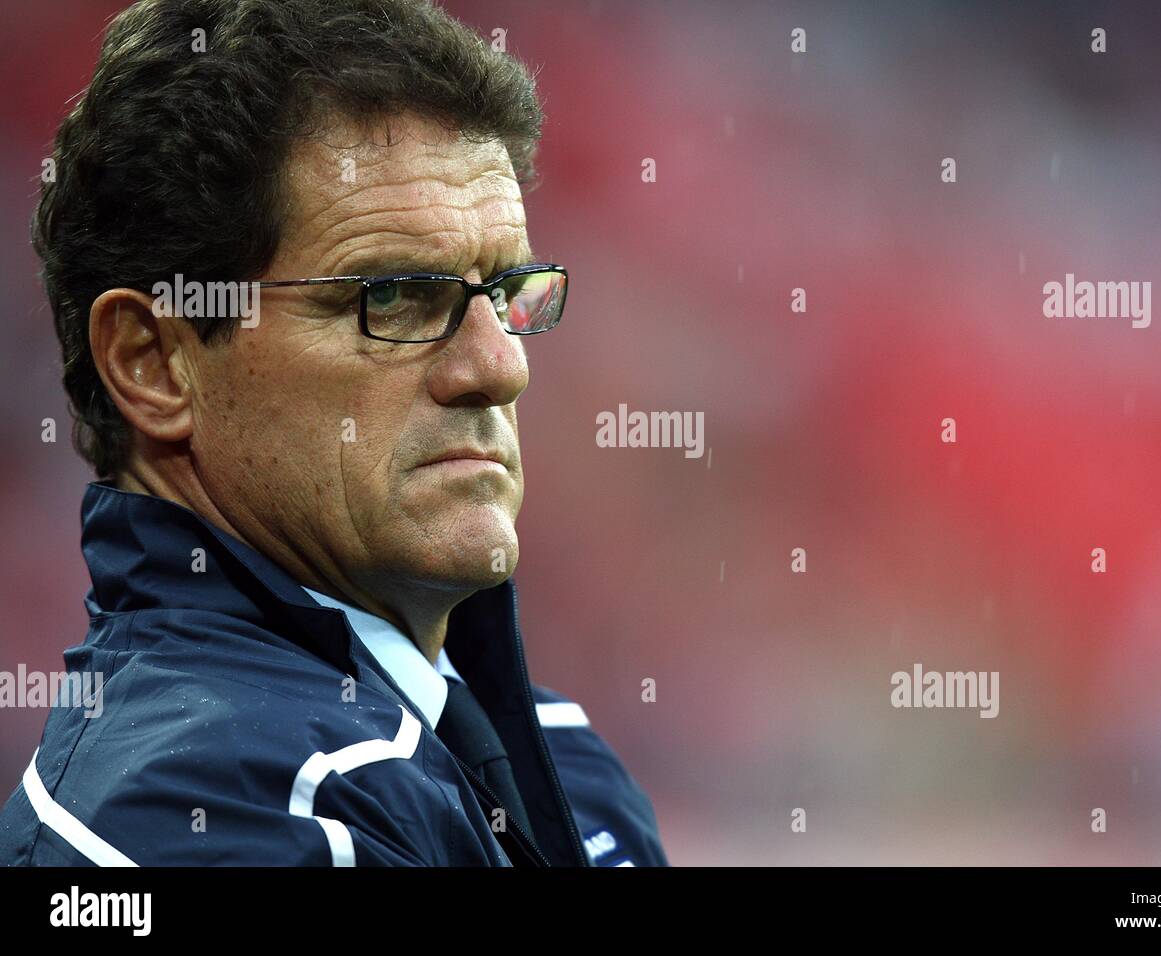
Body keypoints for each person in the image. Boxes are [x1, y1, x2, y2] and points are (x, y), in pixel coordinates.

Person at [0, 0, 668, 867]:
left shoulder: (566, 762)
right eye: (389, 296)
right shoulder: (199, 813)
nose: (501, 368)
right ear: (154, 363)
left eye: (503, 293)